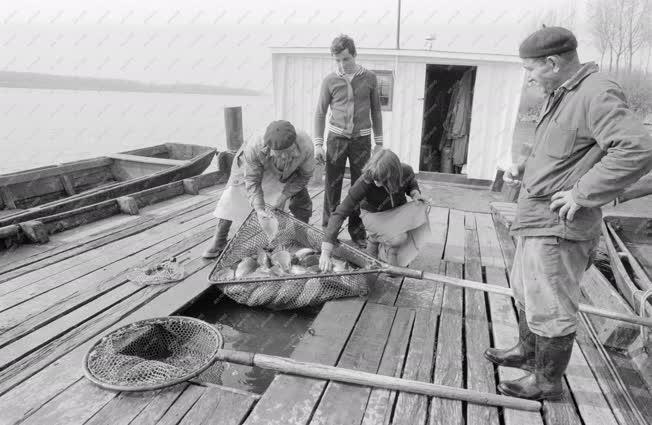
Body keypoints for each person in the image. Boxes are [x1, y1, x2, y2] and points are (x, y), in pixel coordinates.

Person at [484, 26, 652, 401]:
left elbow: (637, 149)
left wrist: (582, 193)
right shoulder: (561, 94)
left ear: (552, 62)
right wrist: (527, 167)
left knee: (553, 305)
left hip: (559, 225)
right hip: (534, 216)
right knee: (527, 291)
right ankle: (528, 354)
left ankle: (547, 382)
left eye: (532, 70)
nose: (529, 78)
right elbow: (566, 151)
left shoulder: (596, 92)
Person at [202, 120, 314, 258]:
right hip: (253, 167)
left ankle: (300, 239)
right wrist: (259, 209)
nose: (284, 157)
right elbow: (252, 181)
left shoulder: (306, 146)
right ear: (268, 148)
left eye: (289, 152)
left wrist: (284, 196)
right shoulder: (254, 147)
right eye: (280, 153)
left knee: (303, 201)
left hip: (289, 172)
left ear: (295, 144)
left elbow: (304, 177)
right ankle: (218, 241)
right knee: (232, 195)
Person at [314, 34, 384, 249]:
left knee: (360, 186)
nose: (342, 64)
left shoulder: (370, 78)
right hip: (335, 139)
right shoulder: (329, 80)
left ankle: (357, 231)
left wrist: (379, 143)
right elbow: (320, 113)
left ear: (354, 54)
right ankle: (329, 231)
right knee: (332, 187)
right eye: (338, 60)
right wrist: (318, 144)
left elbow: (376, 111)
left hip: (361, 140)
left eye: (346, 59)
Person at [318, 149, 430, 271]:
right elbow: (340, 213)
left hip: (397, 211)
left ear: (394, 175)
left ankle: (376, 240)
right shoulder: (365, 180)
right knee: (399, 238)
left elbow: (411, 183)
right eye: (375, 179)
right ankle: (383, 244)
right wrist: (325, 251)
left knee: (421, 209)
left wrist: (415, 194)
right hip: (373, 215)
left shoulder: (406, 171)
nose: (376, 183)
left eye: (380, 180)